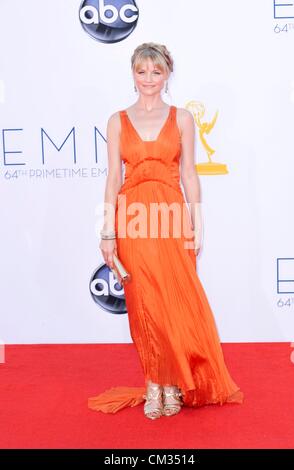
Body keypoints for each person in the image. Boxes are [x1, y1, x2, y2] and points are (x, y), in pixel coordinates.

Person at [88, 42, 244, 419]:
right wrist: (107, 230)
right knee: (145, 304)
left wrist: (197, 219)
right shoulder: (116, 120)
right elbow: (112, 179)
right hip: (134, 219)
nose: (148, 79)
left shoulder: (183, 118)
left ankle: (173, 383)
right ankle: (154, 384)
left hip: (172, 218)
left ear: (167, 75)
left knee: (174, 302)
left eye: (156, 72)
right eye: (142, 71)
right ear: (133, 73)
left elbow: (190, 173)